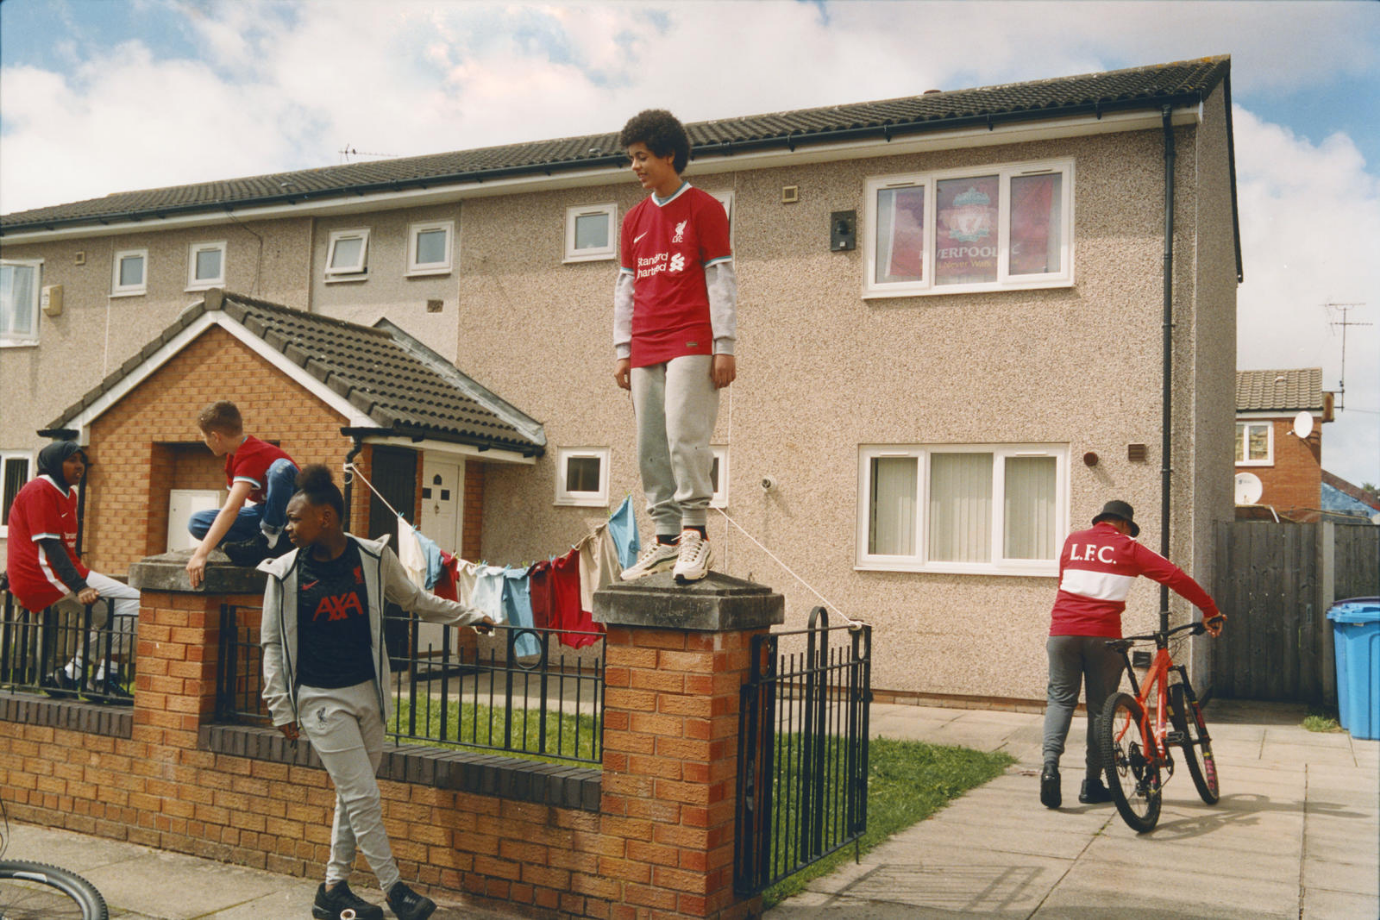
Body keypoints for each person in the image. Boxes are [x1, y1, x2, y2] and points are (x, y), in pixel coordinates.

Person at [259, 465, 494, 920]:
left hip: (369, 695)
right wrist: (279, 705)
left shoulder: (371, 558)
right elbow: (273, 643)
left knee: (353, 795)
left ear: (325, 517)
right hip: (320, 700)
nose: (287, 528)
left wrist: (470, 616)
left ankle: (333, 891)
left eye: (294, 519)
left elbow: (415, 600)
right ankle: (395, 890)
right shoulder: (284, 573)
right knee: (364, 795)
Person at [613, 108, 737, 584]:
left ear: (669, 154)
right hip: (645, 342)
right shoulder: (634, 220)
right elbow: (625, 288)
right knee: (651, 444)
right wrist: (622, 349)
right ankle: (664, 539)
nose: (636, 167)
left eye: (642, 157)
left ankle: (694, 535)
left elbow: (721, 278)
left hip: (691, 337)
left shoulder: (704, 208)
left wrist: (723, 344)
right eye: (631, 159)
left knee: (685, 436)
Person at [1041, 500, 1225, 809]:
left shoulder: (1073, 541)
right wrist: (1210, 610)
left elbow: (1064, 581)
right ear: (1125, 525)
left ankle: (1049, 769)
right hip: (1104, 636)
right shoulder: (1129, 548)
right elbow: (1176, 578)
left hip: (1062, 633)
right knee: (1101, 710)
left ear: (1101, 520)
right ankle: (1092, 783)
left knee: (1060, 701)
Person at [5, 441, 141, 700]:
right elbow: (49, 545)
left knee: (117, 615)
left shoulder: (68, 494)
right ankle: (73, 675)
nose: (79, 466)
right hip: (44, 573)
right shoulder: (40, 489)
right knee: (134, 603)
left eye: (82, 461)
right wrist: (80, 586)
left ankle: (100, 679)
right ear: (55, 463)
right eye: (72, 460)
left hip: (59, 570)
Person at [186, 400, 299, 586]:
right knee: (198, 522)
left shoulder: (252, 453)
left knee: (281, 468)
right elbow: (234, 511)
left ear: (215, 436)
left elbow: (232, 509)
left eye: (203, 437)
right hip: (266, 513)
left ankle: (269, 540)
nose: (205, 442)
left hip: (297, 515)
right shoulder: (233, 460)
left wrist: (201, 554)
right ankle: (265, 544)